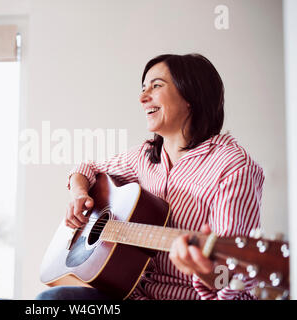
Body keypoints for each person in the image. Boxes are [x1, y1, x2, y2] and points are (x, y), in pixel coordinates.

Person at [36, 53, 264, 300]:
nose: (143, 98)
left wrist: (206, 272)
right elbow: (85, 169)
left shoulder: (233, 166)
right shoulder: (143, 157)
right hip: (131, 293)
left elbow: (232, 280)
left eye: (156, 86)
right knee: (53, 300)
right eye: (144, 88)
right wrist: (80, 194)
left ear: (191, 96)